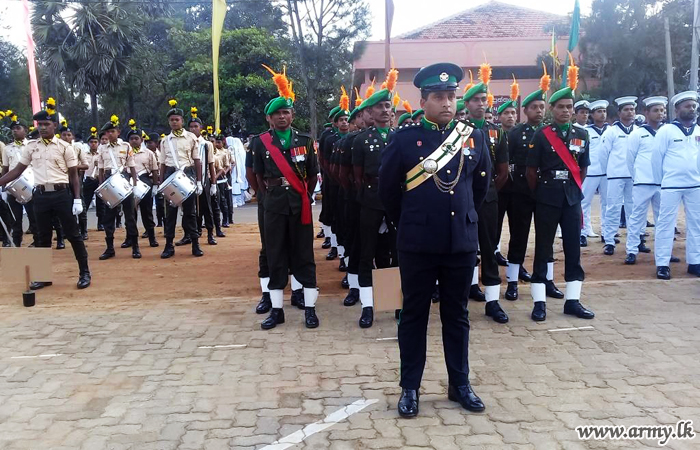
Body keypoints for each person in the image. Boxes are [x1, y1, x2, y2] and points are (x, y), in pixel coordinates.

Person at [379, 62, 489, 417]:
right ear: (423, 101)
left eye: (451, 96)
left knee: (457, 315)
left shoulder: (473, 136)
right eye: (439, 97)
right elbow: (388, 192)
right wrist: (412, 222)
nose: (447, 103)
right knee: (414, 314)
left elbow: (480, 188)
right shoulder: (403, 139)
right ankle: (410, 387)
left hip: (460, 242)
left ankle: (460, 384)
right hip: (418, 243)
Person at [525, 62, 595, 322]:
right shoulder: (542, 135)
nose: (566, 111)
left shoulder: (582, 134)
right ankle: (539, 302)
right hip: (547, 198)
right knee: (543, 249)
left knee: (573, 249)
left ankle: (572, 301)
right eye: (561, 107)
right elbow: (531, 172)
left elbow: (583, 169)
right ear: (552, 109)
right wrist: (542, 194)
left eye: (569, 107)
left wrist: (573, 188)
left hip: (571, 199)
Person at [253, 66, 319, 329]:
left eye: (286, 112)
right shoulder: (260, 143)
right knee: (275, 254)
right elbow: (257, 176)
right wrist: (268, 196)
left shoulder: (305, 140)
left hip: (300, 205)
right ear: (269, 118)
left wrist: (305, 194)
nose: (282, 116)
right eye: (277, 113)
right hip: (274, 205)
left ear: (292, 114)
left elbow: (312, 174)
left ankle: (310, 309)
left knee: (304, 254)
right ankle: (277, 310)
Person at [0, 99, 91, 289]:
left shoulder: (65, 147)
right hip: (40, 196)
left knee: (73, 235)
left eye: (46, 124)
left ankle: (84, 272)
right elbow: (17, 170)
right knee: (42, 237)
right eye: (39, 124)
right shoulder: (31, 146)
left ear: (54, 126)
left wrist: (77, 199)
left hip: (62, 195)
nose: (42, 127)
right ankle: (43, 276)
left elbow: (73, 175)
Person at [352, 69, 400, 329]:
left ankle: (393, 302)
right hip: (370, 201)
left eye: (387, 106)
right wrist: (368, 198)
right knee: (367, 253)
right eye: (379, 106)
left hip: (395, 202)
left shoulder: (399, 137)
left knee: (394, 253)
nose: (384, 110)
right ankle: (367, 306)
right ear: (370, 111)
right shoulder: (361, 140)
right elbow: (357, 176)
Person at [498, 73, 553, 301]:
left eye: (541, 107)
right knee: (519, 236)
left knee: (546, 237)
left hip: (544, 192)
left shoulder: (550, 133)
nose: (539, 111)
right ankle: (512, 281)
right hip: (520, 191)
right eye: (534, 107)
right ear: (526, 111)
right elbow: (507, 162)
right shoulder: (515, 133)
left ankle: (547, 279)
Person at [462, 62, 509, 323]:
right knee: (464, 248)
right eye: (475, 100)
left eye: (483, 99)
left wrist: (487, 192)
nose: (481, 104)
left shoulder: (496, 131)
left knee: (489, 248)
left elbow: (502, 171)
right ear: (467, 104)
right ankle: (466, 290)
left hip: (487, 198)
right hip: (462, 198)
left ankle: (493, 301)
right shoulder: (458, 131)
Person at [652, 91, 700, 279]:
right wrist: (661, 182)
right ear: (677, 109)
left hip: (695, 184)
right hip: (671, 184)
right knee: (666, 224)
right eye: (687, 106)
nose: (692, 109)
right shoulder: (666, 131)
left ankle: (695, 261)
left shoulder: (698, 130)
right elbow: (656, 159)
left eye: (694, 106)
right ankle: (662, 264)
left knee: (696, 224)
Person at [159, 99, 204, 259]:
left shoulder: (191, 137)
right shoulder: (165, 140)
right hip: (170, 175)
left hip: (187, 174)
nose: (174, 122)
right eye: (171, 120)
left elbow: (197, 160)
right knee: (170, 213)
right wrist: (160, 184)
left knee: (190, 212)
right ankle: (168, 246)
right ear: (169, 122)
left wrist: (199, 181)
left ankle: (195, 244)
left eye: (177, 119)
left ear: (182, 121)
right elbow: (162, 163)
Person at [624, 96, 666, 264]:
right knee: (637, 217)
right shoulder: (637, 134)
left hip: (663, 183)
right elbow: (630, 159)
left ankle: (664, 251)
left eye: (662, 110)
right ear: (646, 112)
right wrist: (637, 177)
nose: (660, 113)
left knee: (663, 219)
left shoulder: (667, 132)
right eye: (655, 110)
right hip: (643, 181)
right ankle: (632, 250)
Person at [97, 115, 141, 260]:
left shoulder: (126, 146)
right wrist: (102, 188)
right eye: (107, 132)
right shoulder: (102, 148)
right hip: (109, 180)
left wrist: (135, 185)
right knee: (109, 216)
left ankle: (135, 247)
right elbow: (101, 170)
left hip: (123, 180)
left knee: (130, 215)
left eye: (112, 131)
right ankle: (110, 248)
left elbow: (132, 167)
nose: (110, 134)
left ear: (118, 132)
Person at [601, 96, 638, 255]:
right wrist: (610, 171)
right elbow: (603, 155)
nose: (630, 112)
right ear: (619, 112)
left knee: (633, 208)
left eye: (632, 109)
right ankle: (609, 240)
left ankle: (636, 240)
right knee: (613, 208)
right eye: (626, 110)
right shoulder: (611, 131)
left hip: (634, 176)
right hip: (615, 175)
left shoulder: (638, 131)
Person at [1, 115, 34, 247]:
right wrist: (3, 188)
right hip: (12, 187)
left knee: (33, 216)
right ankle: (16, 243)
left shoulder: (32, 146)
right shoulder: (7, 148)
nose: (15, 130)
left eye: (18, 128)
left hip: (30, 185)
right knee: (16, 218)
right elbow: (5, 168)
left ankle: (37, 241)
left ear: (25, 130)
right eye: (13, 128)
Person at [581, 100, 610, 245]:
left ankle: (607, 233)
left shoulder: (611, 130)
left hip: (607, 172)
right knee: (584, 203)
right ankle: (582, 233)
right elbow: (579, 152)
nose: (602, 114)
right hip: (590, 171)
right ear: (592, 115)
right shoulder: (585, 131)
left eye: (604, 111)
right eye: (599, 112)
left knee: (607, 203)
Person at [132, 126, 160, 248]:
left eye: (136, 138)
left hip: (145, 180)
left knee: (147, 211)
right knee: (131, 212)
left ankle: (152, 237)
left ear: (141, 140)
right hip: (130, 181)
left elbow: (154, 170)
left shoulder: (149, 153)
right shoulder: (126, 153)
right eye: (131, 139)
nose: (134, 141)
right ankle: (130, 238)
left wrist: (155, 185)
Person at [80, 128, 103, 241]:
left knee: (101, 203)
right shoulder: (84, 155)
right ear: (88, 143)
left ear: (98, 143)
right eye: (91, 142)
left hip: (99, 180)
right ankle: (83, 228)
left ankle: (101, 224)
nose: (93, 144)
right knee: (85, 203)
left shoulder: (101, 154)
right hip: (89, 180)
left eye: (95, 142)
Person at [146, 133, 165, 227]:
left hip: (159, 179)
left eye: (150, 143)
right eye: (147, 143)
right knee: (148, 204)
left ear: (156, 143)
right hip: (148, 179)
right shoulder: (145, 154)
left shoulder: (160, 154)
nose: (148, 145)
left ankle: (161, 222)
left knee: (160, 203)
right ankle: (150, 225)